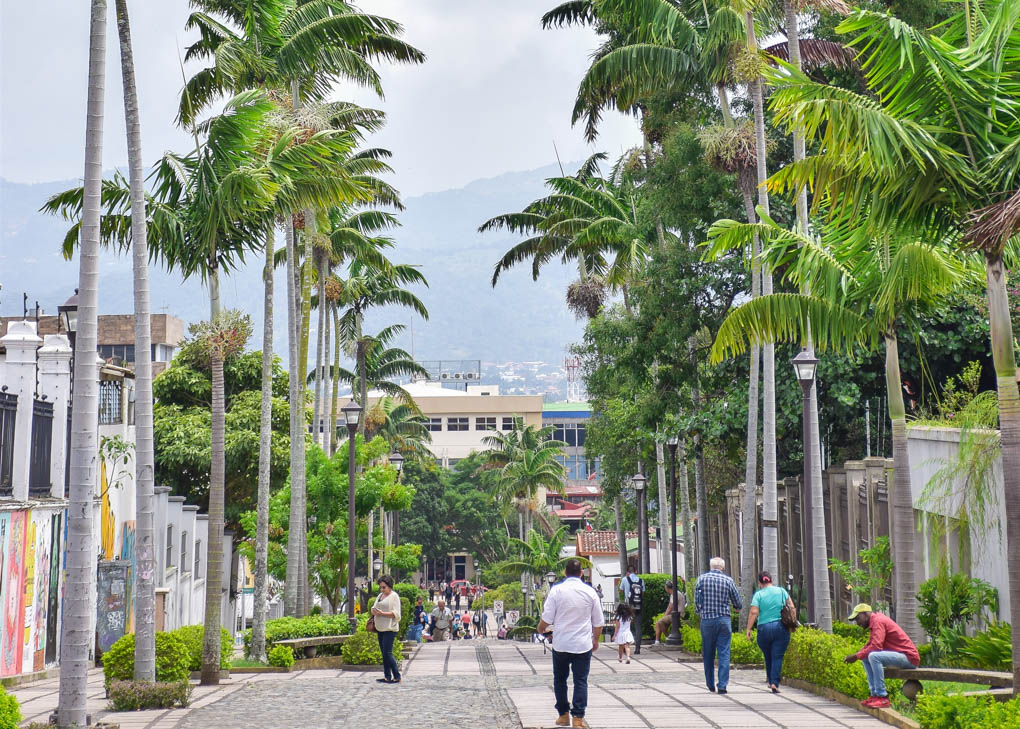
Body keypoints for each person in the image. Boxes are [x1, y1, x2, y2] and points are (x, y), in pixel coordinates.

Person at [537, 558, 604, 729]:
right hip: (582, 644)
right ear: (581, 573)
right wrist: (595, 640)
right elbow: (598, 622)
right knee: (581, 680)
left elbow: (546, 618)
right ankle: (578, 719)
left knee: (560, 679)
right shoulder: (590, 592)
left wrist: (540, 629)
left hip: (561, 643)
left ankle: (563, 714)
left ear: (565, 573)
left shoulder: (557, 591)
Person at [843, 603, 920, 709]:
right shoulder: (874, 622)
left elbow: (876, 646)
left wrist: (855, 656)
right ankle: (874, 695)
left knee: (873, 656)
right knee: (865, 657)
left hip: (909, 658)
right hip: (901, 657)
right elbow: (870, 645)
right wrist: (858, 655)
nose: (857, 623)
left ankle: (882, 696)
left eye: (858, 618)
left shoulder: (878, 621)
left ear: (865, 614)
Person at [695, 557, 742, 694]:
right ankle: (722, 685)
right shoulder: (728, 580)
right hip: (723, 620)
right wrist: (736, 608)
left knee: (708, 653)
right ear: (723, 567)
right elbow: (737, 602)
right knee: (724, 652)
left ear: (711, 566)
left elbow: (697, 601)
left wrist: (700, 612)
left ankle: (710, 683)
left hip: (707, 620)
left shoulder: (701, 579)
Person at [744, 571, 795, 693]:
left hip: (764, 628)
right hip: (780, 627)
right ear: (771, 580)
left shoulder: (758, 595)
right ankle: (774, 683)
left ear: (760, 583)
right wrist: (792, 623)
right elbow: (792, 607)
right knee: (777, 656)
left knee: (768, 655)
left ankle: (770, 679)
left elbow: (754, 612)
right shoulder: (781, 591)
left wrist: (748, 629)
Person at [371, 575, 402, 684]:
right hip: (380, 627)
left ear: (389, 586)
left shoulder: (394, 596)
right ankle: (387, 676)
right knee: (383, 653)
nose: (382, 589)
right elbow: (374, 607)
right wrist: (374, 611)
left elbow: (396, 614)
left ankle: (397, 675)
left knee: (388, 652)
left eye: (384, 587)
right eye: (381, 587)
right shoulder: (380, 595)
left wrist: (382, 613)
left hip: (390, 627)